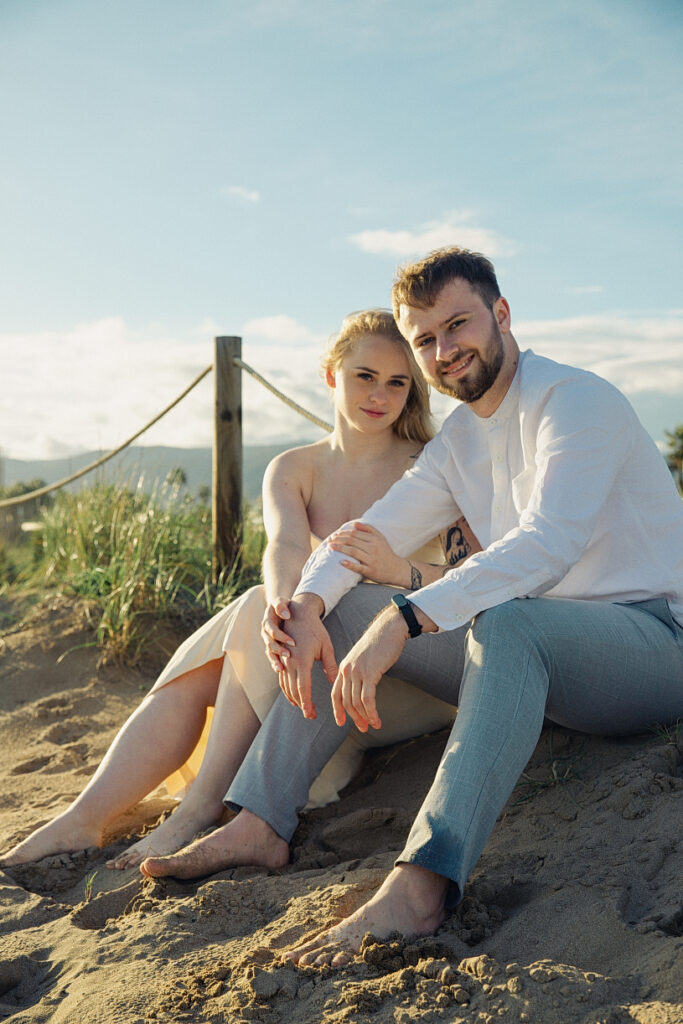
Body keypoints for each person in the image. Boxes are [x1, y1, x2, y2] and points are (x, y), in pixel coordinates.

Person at [140, 247, 683, 969]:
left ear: (501, 314)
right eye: (424, 339)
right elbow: (364, 537)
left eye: (458, 325)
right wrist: (307, 602)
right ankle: (260, 821)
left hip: (651, 640)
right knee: (349, 606)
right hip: (531, 657)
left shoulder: (574, 401)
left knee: (500, 619)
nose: (443, 350)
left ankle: (422, 885)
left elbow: (547, 544)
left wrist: (406, 616)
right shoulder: (459, 440)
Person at [0, 308, 480, 870]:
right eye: (365, 376)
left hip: (398, 674)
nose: (379, 395)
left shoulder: (431, 467)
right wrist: (283, 608)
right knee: (258, 610)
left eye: (397, 382)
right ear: (332, 375)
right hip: (312, 668)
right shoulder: (294, 468)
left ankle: (197, 808)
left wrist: (396, 570)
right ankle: (84, 818)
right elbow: (285, 548)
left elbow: (474, 580)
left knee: (254, 612)